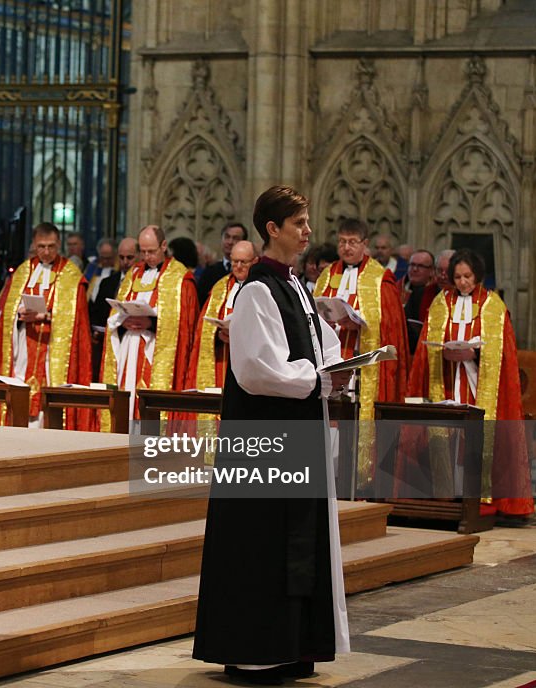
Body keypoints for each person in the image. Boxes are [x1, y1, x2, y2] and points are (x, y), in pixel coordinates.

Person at [194, 185, 351, 684]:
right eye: (299, 223)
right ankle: (256, 648)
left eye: (307, 222)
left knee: (297, 540)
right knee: (262, 542)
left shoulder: (298, 287)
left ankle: (293, 645)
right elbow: (256, 369)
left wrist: (342, 368)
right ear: (272, 229)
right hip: (265, 437)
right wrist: (318, 378)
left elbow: (319, 344)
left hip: (297, 429)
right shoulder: (257, 289)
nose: (308, 232)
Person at [405, 249, 535, 519]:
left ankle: (479, 498)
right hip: (448, 382)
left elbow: (503, 352)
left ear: (478, 276)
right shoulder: (441, 302)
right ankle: (446, 494)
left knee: (475, 439)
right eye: (457, 277)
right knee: (449, 437)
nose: (462, 282)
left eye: (467, 276)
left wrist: (474, 354)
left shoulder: (493, 305)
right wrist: (443, 351)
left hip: (478, 384)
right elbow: (426, 346)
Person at [313, 218, 409, 486]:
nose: (346, 248)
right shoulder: (327, 275)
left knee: (358, 421)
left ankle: (360, 481)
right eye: (342, 242)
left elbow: (390, 324)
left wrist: (358, 323)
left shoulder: (380, 279)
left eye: (352, 242)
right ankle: (328, 478)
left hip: (363, 366)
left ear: (364, 244)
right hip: (332, 359)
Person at [0, 223, 92, 427]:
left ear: (59, 244)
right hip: (24, 349)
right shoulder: (22, 272)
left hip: (53, 352)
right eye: (41, 246)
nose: (46, 252)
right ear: (34, 245)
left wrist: (46, 317)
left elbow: (78, 320)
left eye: (51, 246)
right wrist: (19, 316)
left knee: (49, 399)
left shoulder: (71, 275)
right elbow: (4, 313)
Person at [99, 226, 197, 427]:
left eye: (151, 251)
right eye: (143, 252)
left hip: (156, 350)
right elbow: (115, 312)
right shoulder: (134, 274)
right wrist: (122, 321)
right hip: (129, 349)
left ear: (163, 246)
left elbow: (185, 323)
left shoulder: (180, 277)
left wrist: (151, 323)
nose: (147, 257)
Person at [191, 240, 257, 392]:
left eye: (243, 262)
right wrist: (218, 336)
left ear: (255, 261)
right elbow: (204, 329)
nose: (238, 266)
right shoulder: (220, 287)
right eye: (234, 261)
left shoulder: (263, 287)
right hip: (224, 361)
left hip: (250, 362)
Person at [85, 238, 118, 380]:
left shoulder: (118, 275)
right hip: (94, 323)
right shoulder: (92, 269)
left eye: (108, 257)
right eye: (102, 257)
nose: (104, 261)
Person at [195, 222, 247, 307]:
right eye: (227, 237)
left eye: (235, 238)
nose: (230, 242)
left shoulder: (248, 272)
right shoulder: (210, 272)